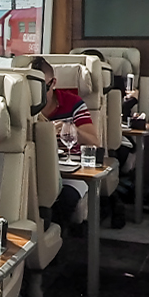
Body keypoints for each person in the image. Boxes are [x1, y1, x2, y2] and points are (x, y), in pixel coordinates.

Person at [33, 56, 97, 226]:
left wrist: (72, 130)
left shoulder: (73, 103)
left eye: (43, 88)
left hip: (70, 171)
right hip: (35, 170)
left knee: (65, 198)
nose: (37, 95)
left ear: (53, 83)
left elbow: (94, 143)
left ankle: (58, 236)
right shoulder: (22, 106)